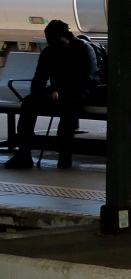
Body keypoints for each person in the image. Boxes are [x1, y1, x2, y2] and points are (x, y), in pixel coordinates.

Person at [5, 20, 99, 170]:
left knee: (69, 108)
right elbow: (39, 78)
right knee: (29, 103)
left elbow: (91, 78)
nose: (53, 46)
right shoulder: (49, 52)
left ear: (65, 36)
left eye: (55, 42)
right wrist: (39, 93)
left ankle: (64, 157)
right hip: (56, 93)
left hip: (79, 93)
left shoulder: (83, 49)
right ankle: (24, 154)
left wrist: (61, 92)